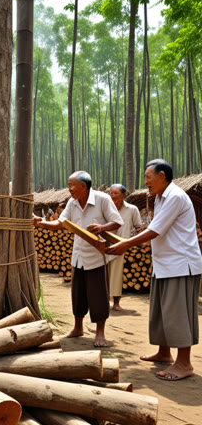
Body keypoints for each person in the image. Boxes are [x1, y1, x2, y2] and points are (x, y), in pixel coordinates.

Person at [106, 160, 202, 381]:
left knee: (178, 313)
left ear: (162, 176)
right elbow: (152, 227)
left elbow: (155, 231)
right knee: (161, 311)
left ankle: (184, 363)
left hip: (180, 264)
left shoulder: (175, 196)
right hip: (164, 263)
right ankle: (164, 353)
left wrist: (125, 244)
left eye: (148, 177)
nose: (145, 182)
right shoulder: (160, 198)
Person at [34, 171, 123, 347]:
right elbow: (60, 223)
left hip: (97, 256)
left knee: (98, 296)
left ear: (83, 186)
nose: (69, 189)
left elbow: (117, 221)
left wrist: (101, 227)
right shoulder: (72, 203)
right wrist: (40, 222)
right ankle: (78, 328)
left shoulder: (102, 199)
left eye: (72, 185)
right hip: (78, 256)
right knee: (78, 294)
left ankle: (100, 333)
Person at [108, 184, 143, 311]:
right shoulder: (106, 208)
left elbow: (138, 226)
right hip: (106, 243)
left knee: (116, 274)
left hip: (122, 244)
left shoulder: (132, 209)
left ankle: (116, 303)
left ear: (123, 195)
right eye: (111, 193)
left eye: (115, 193)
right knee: (103, 274)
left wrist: (134, 236)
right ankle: (103, 302)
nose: (112, 196)